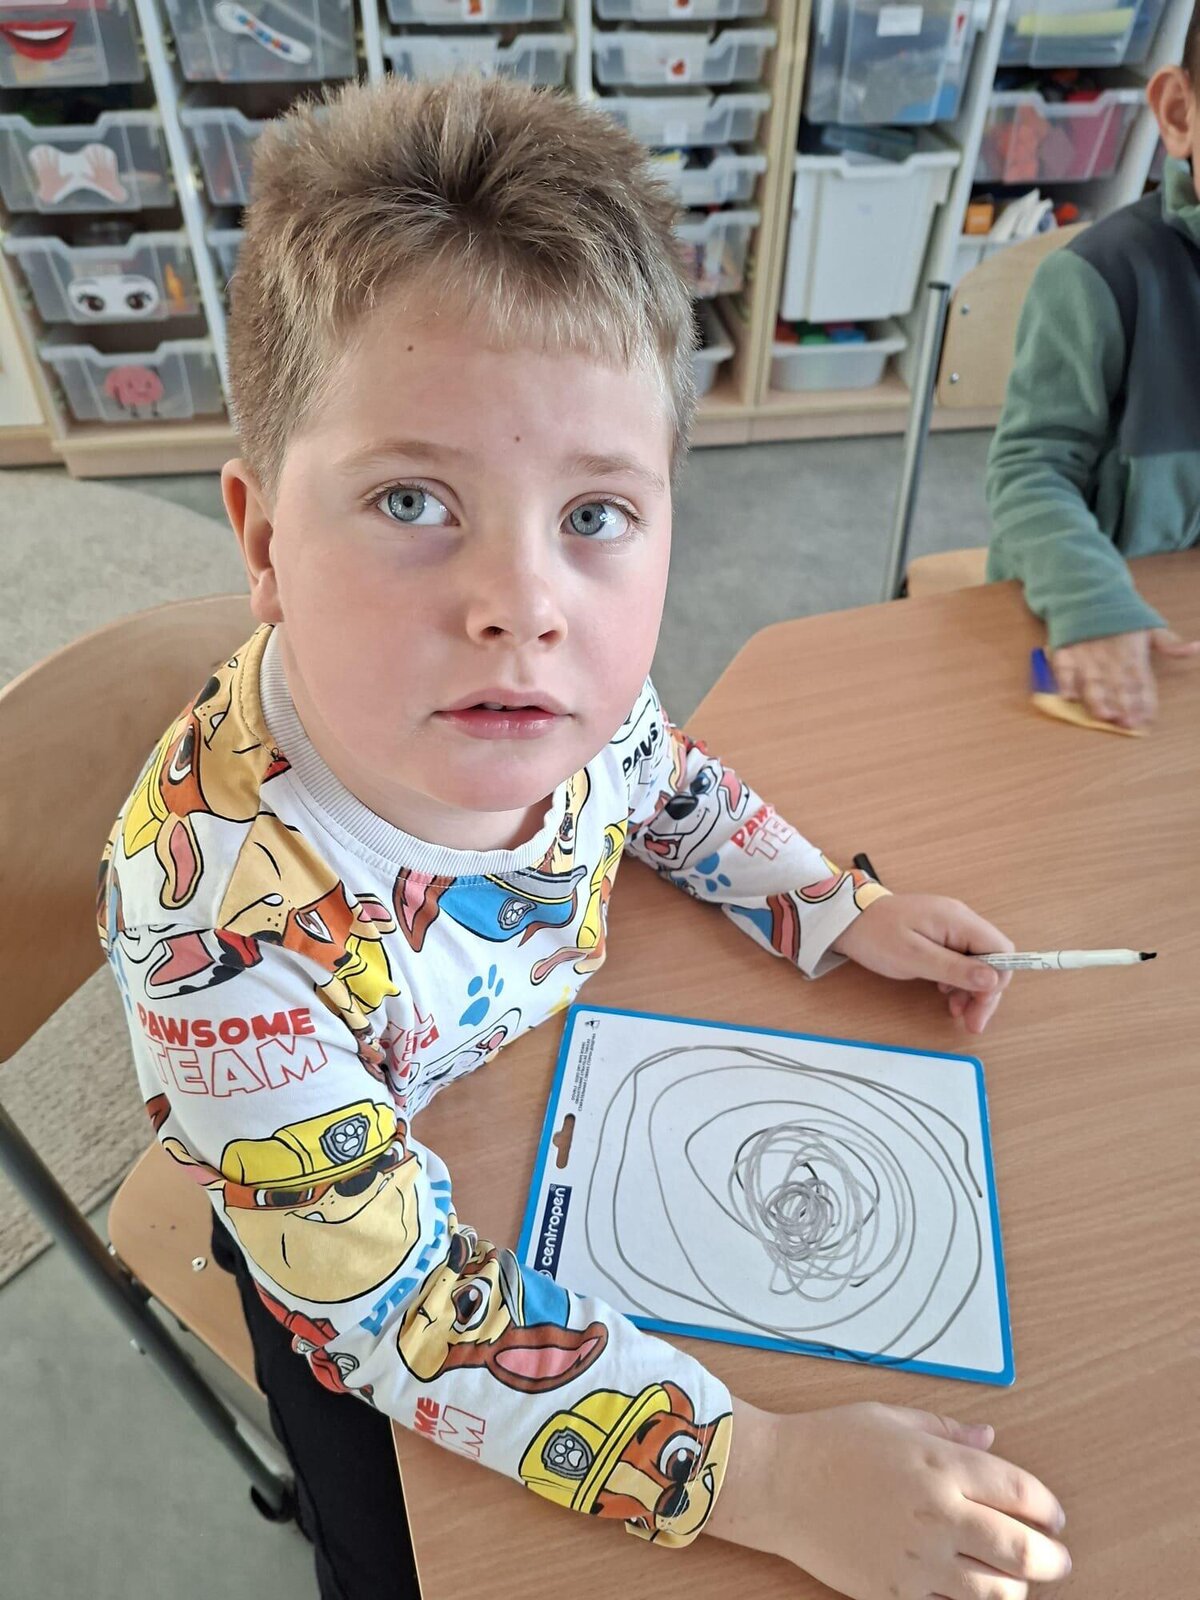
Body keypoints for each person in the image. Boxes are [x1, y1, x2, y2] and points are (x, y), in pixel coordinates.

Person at [98, 75, 1070, 1600]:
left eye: (596, 515)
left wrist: (827, 904)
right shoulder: (214, 932)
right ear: (264, 539)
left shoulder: (553, 698)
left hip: (521, 1091)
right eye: (413, 500)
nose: (525, 604)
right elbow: (397, 1312)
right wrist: (765, 1473)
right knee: (411, 1557)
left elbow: (663, 782)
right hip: (332, 1228)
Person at [986, 2, 1200, 730]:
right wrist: (1092, 603)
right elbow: (1029, 472)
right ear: (1179, 113)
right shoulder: (1099, 280)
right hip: (1077, 613)